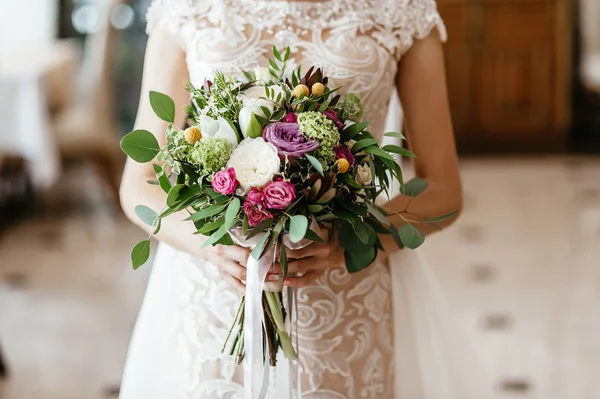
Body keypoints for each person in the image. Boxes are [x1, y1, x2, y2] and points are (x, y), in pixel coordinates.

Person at [119, 0, 483, 397]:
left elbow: (444, 191)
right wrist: (210, 248)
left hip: (346, 303)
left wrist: (350, 241)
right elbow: (140, 182)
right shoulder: (187, 7)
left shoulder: (402, 10)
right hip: (213, 298)